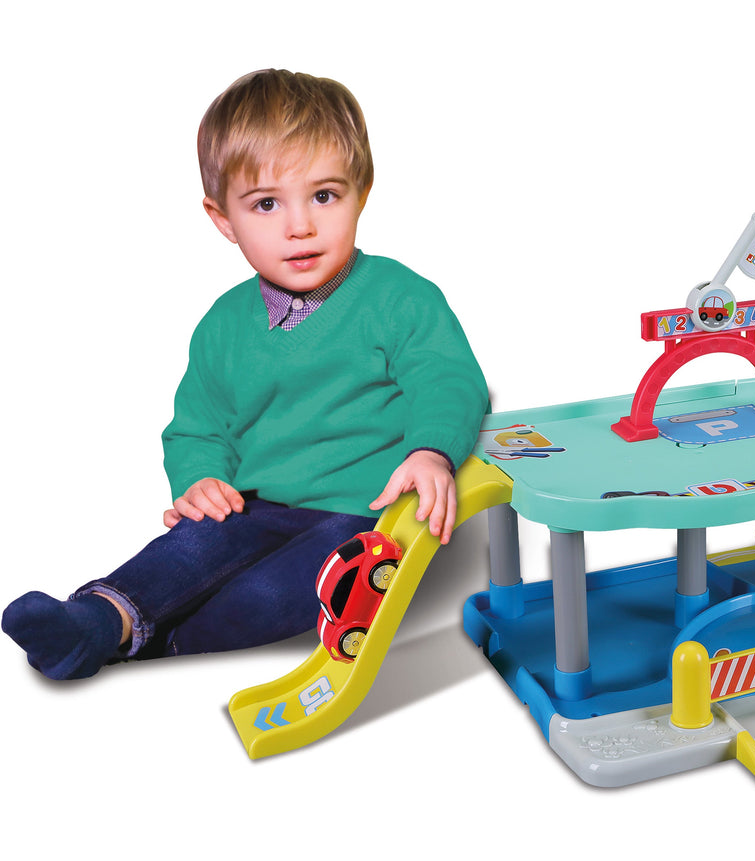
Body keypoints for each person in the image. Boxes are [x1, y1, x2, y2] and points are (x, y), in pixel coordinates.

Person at [2, 69, 489, 680]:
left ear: (361, 192)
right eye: (265, 204)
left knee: (283, 590)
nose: (299, 226)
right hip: (253, 507)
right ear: (223, 219)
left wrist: (431, 452)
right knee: (185, 552)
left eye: (324, 196)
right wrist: (200, 479)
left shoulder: (400, 297)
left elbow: (448, 380)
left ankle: (156, 644)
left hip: (365, 513)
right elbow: (198, 427)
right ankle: (97, 620)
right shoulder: (223, 323)